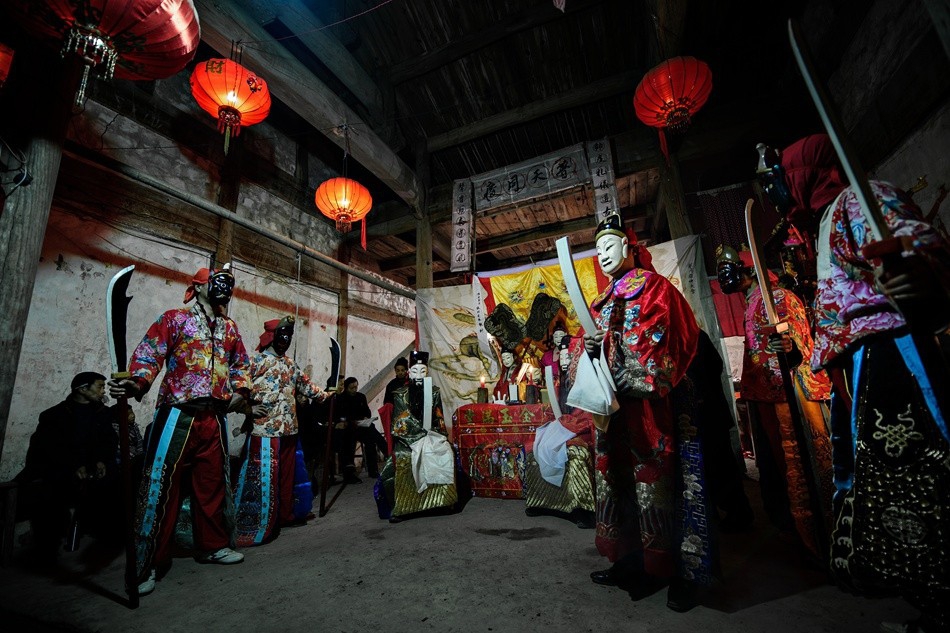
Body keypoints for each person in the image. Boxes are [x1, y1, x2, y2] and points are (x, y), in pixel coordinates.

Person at [764, 133, 950, 632]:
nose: (779, 190)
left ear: (803, 175)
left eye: (784, 178)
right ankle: (928, 595)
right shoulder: (823, 222)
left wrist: (914, 266)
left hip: (893, 355)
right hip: (860, 365)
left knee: (922, 468)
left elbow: (917, 239)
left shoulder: (858, 200)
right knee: (885, 479)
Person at [569, 213, 715, 612]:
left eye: (609, 245)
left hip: (653, 410)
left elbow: (666, 345)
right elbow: (583, 354)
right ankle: (631, 561)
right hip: (613, 412)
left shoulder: (655, 289)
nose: (602, 254)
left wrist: (616, 359)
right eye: (597, 249)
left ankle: (678, 571)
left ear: (629, 247)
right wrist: (588, 350)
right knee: (618, 485)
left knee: (662, 486)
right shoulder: (600, 302)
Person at [109, 265, 251, 596]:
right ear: (198, 287)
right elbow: (149, 354)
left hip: (213, 416)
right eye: (216, 282)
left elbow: (241, 364)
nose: (224, 289)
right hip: (177, 413)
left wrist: (241, 391)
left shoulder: (229, 328)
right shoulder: (175, 319)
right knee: (160, 487)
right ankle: (148, 562)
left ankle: (212, 545)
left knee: (212, 484)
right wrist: (136, 381)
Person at [716, 243, 834, 555]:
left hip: (785, 392)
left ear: (747, 268)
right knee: (775, 466)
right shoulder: (752, 300)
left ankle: (816, 533)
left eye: (728, 270)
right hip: (765, 393)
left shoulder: (777, 296)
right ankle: (791, 526)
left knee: (796, 464)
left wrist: (790, 347)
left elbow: (796, 340)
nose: (724, 278)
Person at [233, 316, 328, 546]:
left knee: (287, 476)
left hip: (289, 429)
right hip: (265, 429)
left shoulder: (290, 364)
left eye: (289, 336)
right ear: (272, 337)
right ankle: (262, 521)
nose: (285, 340)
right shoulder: (256, 362)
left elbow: (306, 386)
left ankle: (284, 515)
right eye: (282, 335)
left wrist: (326, 395)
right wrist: (247, 409)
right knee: (266, 477)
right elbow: (237, 387)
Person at [15, 372, 117, 561]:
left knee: (114, 484)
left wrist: (101, 460)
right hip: (61, 469)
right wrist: (74, 466)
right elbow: (51, 448)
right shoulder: (54, 416)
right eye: (100, 386)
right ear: (83, 389)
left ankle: (106, 537)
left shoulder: (102, 414)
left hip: (91, 470)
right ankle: (46, 545)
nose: (103, 391)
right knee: (51, 491)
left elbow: (108, 441)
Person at [375, 351, 457, 522]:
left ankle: (443, 501)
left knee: (445, 451)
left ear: (427, 373)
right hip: (408, 438)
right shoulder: (400, 394)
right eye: (415, 371)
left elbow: (439, 417)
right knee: (404, 457)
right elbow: (400, 421)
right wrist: (420, 435)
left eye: (423, 371)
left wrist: (437, 434)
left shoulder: (434, 392)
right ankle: (403, 507)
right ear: (409, 373)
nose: (419, 375)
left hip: (431, 435)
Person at [333, 377, 388, 481]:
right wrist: (351, 422)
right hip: (349, 429)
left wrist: (366, 418)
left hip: (362, 427)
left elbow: (367, 411)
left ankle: (373, 470)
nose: (354, 390)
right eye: (352, 388)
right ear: (346, 388)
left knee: (370, 436)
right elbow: (340, 416)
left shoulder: (361, 397)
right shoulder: (341, 399)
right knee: (367, 435)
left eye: (356, 387)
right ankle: (387, 452)